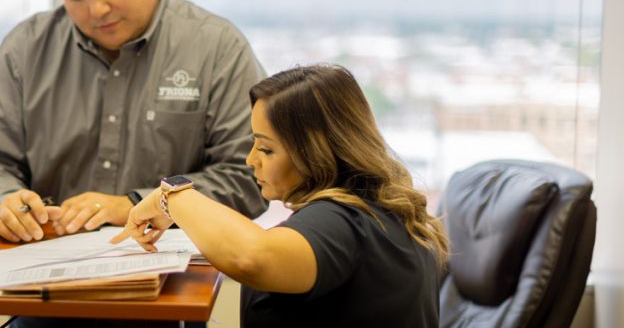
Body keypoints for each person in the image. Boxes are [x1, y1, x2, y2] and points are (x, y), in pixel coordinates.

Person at [0, 0, 267, 245]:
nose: (97, 10)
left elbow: (249, 177)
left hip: (171, 270)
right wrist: (3, 200)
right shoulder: (25, 48)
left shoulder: (218, 48)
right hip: (44, 263)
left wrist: (135, 204)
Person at [112, 64, 450, 328]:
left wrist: (172, 196)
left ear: (314, 151)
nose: (250, 159)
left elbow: (252, 258)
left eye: (266, 148)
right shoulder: (380, 210)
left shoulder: (342, 220)